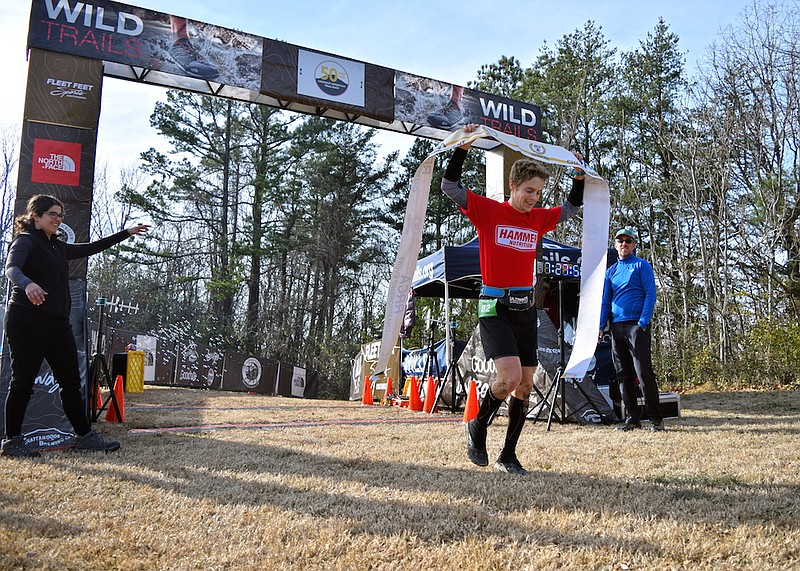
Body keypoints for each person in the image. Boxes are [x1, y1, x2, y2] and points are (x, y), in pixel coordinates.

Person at [443, 123, 586, 474]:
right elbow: (450, 186)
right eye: (528, 191)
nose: (533, 198)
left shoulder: (538, 219)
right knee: (506, 380)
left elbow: (570, 207)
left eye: (537, 192)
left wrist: (579, 176)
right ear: (512, 185)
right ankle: (476, 427)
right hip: (495, 307)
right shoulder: (488, 211)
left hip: (527, 310)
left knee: (524, 386)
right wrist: (464, 148)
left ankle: (508, 455)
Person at [1, 195, 150, 457]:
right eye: (52, 214)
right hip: (27, 321)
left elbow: (92, 247)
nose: (58, 219)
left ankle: (84, 437)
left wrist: (126, 233)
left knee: (70, 382)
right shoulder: (25, 241)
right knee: (22, 381)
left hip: (58, 324)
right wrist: (28, 284)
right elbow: (11, 268)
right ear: (36, 216)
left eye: (60, 214)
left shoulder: (59, 246)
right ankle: (12, 441)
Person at [598, 227, 663, 432]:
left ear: (634, 245)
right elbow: (606, 300)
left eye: (628, 241)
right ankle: (632, 419)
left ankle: (655, 419)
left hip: (637, 326)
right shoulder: (611, 271)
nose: (624, 244)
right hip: (616, 327)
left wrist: (643, 322)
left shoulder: (642, 266)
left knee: (643, 372)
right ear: (615, 245)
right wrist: (600, 326)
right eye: (620, 241)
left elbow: (650, 294)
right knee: (622, 374)